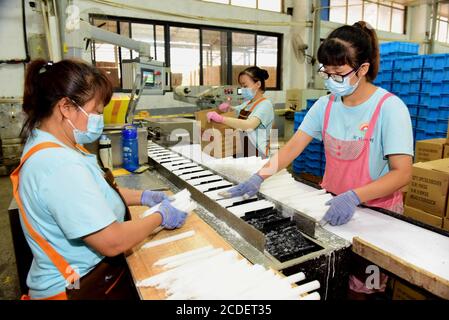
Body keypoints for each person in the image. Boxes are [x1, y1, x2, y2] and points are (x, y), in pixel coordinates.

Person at [220, 22, 414, 296]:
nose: (331, 78)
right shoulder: (325, 105)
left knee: (365, 289)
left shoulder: (390, 108)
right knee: (330, 281)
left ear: (363, 69)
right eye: (327, 71)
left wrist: (355, 196)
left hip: (376, 216)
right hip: (331, 207)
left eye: (339, 73)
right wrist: (258, 176)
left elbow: (402, 173)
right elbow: (292, 148)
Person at [11, 59, 188, 300]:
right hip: (73, 288)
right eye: (95, 111)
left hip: (85, 277)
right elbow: (112, 241)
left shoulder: (54, 144)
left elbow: (93, 194)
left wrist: (144, 197)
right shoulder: (57, 164)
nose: (98, 118)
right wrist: (161, 216)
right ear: (66, 107)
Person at [206, 66, 274, 158]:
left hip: (258, 154)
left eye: (245, 86)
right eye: (241, 86)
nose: (242, 90)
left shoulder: (265, 105)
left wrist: (221, 119)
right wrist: (227, 108)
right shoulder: (247, 104)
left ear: (258, 84)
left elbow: (249, 125)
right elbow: (235, 112)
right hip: (243, 150)